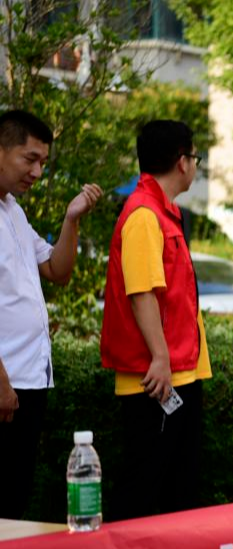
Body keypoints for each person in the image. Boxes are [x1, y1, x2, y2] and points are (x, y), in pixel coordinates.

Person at [101, 120, 209, 519]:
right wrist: (160, 357)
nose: (195, 165)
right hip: (156, 378)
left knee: (180, 490)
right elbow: (141, 291)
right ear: (182, 162)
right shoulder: (144, 214)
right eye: (195, 157)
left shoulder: (163, 211)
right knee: (143, 490)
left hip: (178, 372)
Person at [0, 109, 102, 519]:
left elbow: (57, 270)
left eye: (42, 162)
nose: (37, 172)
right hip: (6, 381)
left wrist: (71, 218)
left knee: (15, 496)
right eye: (30, 159)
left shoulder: (13, 211)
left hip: (28, 381)